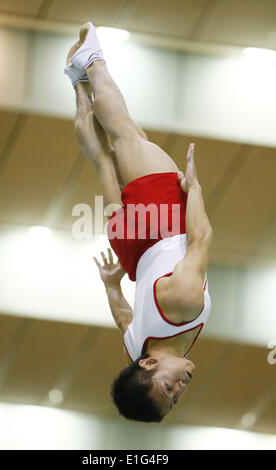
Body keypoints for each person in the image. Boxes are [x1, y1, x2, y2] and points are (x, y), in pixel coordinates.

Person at [64, 22, 213, 422]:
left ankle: (91, 61)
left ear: (147, 368)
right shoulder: (135, 352)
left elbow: (201, 238)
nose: (180, 388)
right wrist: (113, 285)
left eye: (168, 388)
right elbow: (123, 317)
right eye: (176, 398)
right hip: (131, 254)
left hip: (162, 225)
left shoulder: (184, 303)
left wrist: (194, 188)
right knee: (104, 160)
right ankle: (79, 84)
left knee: (126, 134)